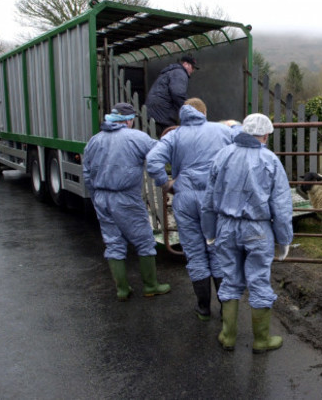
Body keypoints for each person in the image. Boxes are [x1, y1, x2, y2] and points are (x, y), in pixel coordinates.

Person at [201, 113, 293, 353]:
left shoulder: (223, 155)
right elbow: (281, 206)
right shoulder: (270, 160)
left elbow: (208, 199)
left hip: (225, 226)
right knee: (259, 279)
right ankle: (261, 340)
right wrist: (284, 240)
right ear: (265, 135)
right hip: (257, 229)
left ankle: (228, 335)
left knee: (230, 278)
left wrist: (209, 230)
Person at [146, 98, 233, 321]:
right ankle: (226, 309)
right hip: (213, 199)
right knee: (216, 250)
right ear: (204, 112)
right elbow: (244, 145)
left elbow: (153, 160)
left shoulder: (174, 135)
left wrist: (166, 184)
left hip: (185, 199)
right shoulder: (221, 130)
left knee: (195, 253)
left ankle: (203, 309)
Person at [82, 102, 171, 301]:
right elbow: (160, 154)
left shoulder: (94, 141)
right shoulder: (136, 137)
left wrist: (96, 194)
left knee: (113, 242)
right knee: (144, 240)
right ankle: (151, 285)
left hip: (101, 197)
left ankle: (122, 289)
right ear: (129, 120)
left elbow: (87, 172)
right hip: (125, 197)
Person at [145, 55, 199, 138]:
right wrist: (189, 111)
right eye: (192, 67)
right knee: (169, 140)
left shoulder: (169, 72)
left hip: (154, 112)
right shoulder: (179, 73)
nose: (192, 71)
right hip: (164, 115)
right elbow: (178, 93)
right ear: (185, 64)